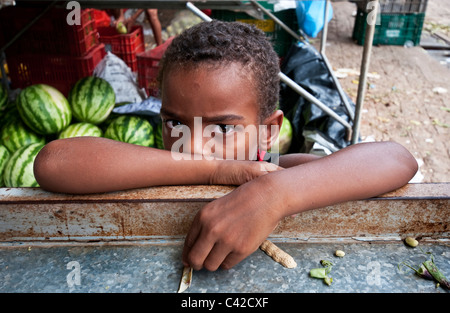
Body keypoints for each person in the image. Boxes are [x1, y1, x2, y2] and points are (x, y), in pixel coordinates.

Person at [33, 21, 418, 272]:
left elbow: (396, 158)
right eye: (175, 123)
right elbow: (53, 161)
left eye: (222, 128)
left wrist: (274, 193)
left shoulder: (271, 166)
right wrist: (214, 170)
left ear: (268, 132)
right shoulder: (147, 166)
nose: (195, 144)